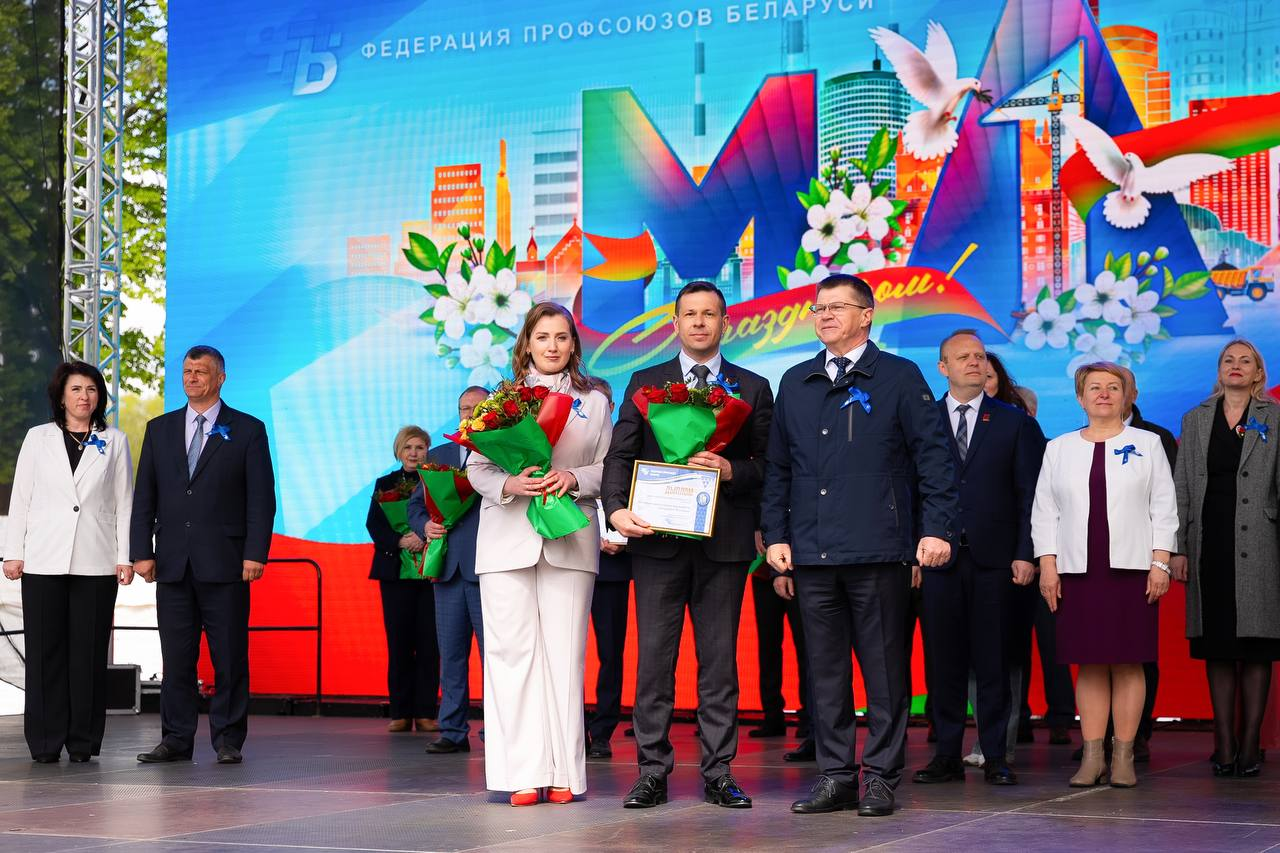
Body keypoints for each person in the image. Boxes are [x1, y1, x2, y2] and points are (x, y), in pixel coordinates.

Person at [762, 273, 958, 817]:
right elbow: (778, 468)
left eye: (837, 307)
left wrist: (936, 529)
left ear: (867, 315)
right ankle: (835, 777)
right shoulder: (795, 380)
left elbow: (934, 459)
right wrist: (776, 535)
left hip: (879, 549)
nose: (824, 315)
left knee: (885, 672)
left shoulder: (898, 375)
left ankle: (881, 777)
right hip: (812, 552)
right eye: (818, 308)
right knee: (825, 674)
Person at [604, 280, 773, 810]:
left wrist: (732, 469)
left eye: (710, 314)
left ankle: (719, 772)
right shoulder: (645, 382)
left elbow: (771, 467)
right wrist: (615, 511)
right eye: (690, 314)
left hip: (724, 545)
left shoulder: (752, 387)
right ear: (675, 323)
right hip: (656, 542)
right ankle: (651, 772)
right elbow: (620, 456)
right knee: (654, 663)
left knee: (719, 665)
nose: (700, 322)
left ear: (725, 323)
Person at [465, 303, 612, 806]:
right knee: (510, 656)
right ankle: (522, 774)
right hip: (506, 538)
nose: (552, 345)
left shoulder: (595, 401)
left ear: (574, 344)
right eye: (543, 336)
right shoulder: (499, 400)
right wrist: (511, 483)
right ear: (526, 343)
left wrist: (573, 477)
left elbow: (608, 467)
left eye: (562, 337)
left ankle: (565, 771)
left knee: (565, 657)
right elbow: (476, 469)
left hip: (570, 536)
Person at [1033, 362, 1177, 788]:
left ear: (1126, 396)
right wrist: (1047, 565)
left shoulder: (1148, 443)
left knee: (1129, 661)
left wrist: (1161, 562)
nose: (1103, 394)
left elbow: (1164, 506)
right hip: (1077, 569)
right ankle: (1093, 756)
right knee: (1090, 663)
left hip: (1132, 569)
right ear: (1080, 398)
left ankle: (1123, 756)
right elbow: (1045, 512)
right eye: (1094, 387)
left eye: (1113, 387)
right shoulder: (1058, 448)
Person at [131, 345, 277, 765]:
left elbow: (261, 498)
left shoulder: (248, 429)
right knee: (177, 658)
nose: (192, 378)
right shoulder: (159, 429)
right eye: (187, 371)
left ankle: (228, 739)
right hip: (172, 563)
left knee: (228, 656)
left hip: (226, 562)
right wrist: (141, 551)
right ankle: (176, 739)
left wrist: (255, 553)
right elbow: (145, 496)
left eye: (201, 371)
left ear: (220, 378)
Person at [912, 331, 1044, 788]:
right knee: (944, 661)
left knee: (993, 662)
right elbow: (908, 492)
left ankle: (995, 756)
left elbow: (1030, 496)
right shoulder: (922, 421)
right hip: (937, 562)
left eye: (980, 356)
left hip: (997, 562)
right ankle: (946, 755)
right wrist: (911, 555)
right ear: (942, 367)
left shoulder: (1014, 422)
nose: (974, 362)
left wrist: (1026, 553)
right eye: (963, 356)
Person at [3, 362, 135, 763]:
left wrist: (125, 557)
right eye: (76, 389)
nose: (84, 396)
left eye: (91, 389)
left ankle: (82, 741)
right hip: (43, 560)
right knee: (45, 653)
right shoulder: (37, 437)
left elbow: (125, 502)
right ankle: (45, 742)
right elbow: (21, 498)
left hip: (96, 561)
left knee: (89, 654)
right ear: (61, 396)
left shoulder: (115, 440)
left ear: (100, 397)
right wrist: (14, 552)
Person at [1171, 339, 1280, 778]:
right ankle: (1224, 742)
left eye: (1245, 361)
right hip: (1209, 540)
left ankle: (1250, 743)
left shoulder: (1274, 417)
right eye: (1228, 360)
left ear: (1258, 373)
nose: (1236, 366)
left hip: (1264, 543)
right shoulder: (1195, 418)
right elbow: (1181, 487)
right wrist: (1178, 548)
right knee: (1217, 644)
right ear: (1219, 371)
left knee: (1256, 646)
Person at [989, 353, 1074, 746]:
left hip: (1041, 553)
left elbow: (1042, 499)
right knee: (1009, 644)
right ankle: (1016, 719)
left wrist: (1041, 554)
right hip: (998, 556)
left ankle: (1061, 716)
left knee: (1052, 641)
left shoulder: (1034, 436)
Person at [410, 387, 488, 754]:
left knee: (495, 656)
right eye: (463, 408)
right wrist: (424, 526)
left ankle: (499, 731)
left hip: (489, 568)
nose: (468, 413)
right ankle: (453, 730)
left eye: (476, 407)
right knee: (451, 654)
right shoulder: (438, 455)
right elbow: (415, 507)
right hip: (447, 571)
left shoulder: (503, 452)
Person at [365, 425, 438, 735]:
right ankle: (400, 712)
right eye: (408, 447)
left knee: (429, 644)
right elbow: (374, 525)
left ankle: (426, 713)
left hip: (430, 572)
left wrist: (423, 536)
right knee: (399, 644)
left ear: (428, 451)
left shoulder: (437, 480)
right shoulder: (385, 484)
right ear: (398, 451)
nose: (414, 453)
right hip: (395, 573)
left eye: (419, 447)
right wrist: (400, 540)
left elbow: (446, 516)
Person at [584, 377, 632, 761]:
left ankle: (602, 731)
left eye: (604, 402)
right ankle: (568, 728)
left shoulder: (627, 442)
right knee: (561, 649)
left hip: (613, 567)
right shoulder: (567, 440)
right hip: (567, 555)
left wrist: (621, 536)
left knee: (610, 653)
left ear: (612, 407)